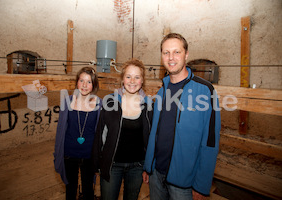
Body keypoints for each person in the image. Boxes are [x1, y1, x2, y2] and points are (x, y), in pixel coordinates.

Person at [142, 33, 221, 200]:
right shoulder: (161, 91)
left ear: (186, 55)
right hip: (156, 174)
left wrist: (202, 184)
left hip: (184, 182)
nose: (171, 57)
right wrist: (148, 166)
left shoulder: (205, 91)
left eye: (176, 52)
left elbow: (210, 141)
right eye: (166, 52)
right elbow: (154, 132)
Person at [92, 58, 153, 200]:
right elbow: (100, 133)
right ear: (122, 79)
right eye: (128, 76)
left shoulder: (149, 105)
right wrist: (98, 163)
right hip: (112, 165)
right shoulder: (110, 101)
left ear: (142, 80)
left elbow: (151, 139)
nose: (132, 81)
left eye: (137, 77)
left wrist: (148, 167)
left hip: (137, 166)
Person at [54, 67, 102, 200]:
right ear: (77, 82)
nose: (84, 85)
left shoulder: (99, 104)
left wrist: (100, 158)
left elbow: (100, 133)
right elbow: (60, 131)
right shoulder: (67, 102)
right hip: (69, 154)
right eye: (82, 81)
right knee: (70, 189)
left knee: (88, 190)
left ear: (94, 85)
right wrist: (57, 153)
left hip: (89, 155)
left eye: (89, 82)